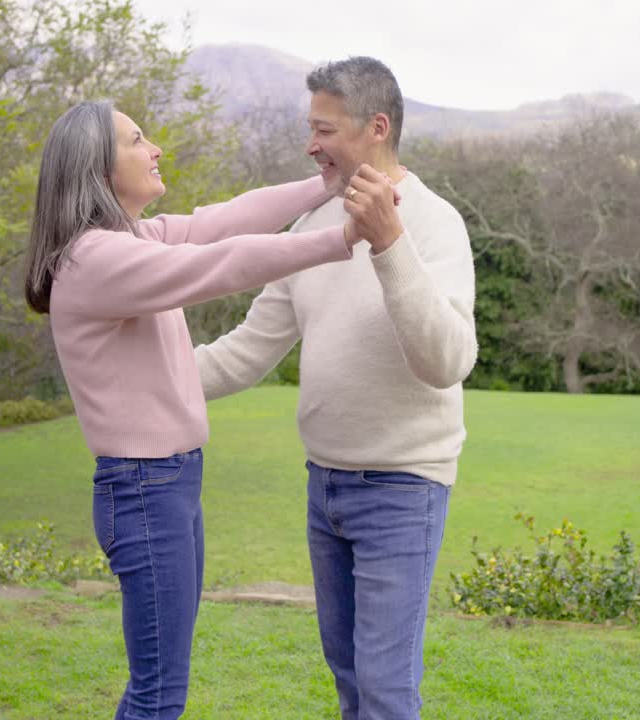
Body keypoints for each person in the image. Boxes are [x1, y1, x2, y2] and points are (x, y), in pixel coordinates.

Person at [22, 99, 383, 720]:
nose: (155, 148)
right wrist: (342, 238)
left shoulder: (128, 240)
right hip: (145, 490)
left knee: (160, 688)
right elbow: (221, 261)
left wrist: (327, 184)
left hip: (168, 483)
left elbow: (224, 219)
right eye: (137, 140)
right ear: (98, 168)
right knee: (159, 694)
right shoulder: (96, 259)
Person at [195, 57, 477, 719]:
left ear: (377, 127)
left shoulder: (434, 224)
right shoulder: (312, 225)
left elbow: (447, 361)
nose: (310, 145)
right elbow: (246, 351)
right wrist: (147, 379)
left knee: (384, 689)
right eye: (311, 128)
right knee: (350, 678)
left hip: (403, 489)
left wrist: (389, 244)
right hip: (324, 486)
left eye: (324, 130)